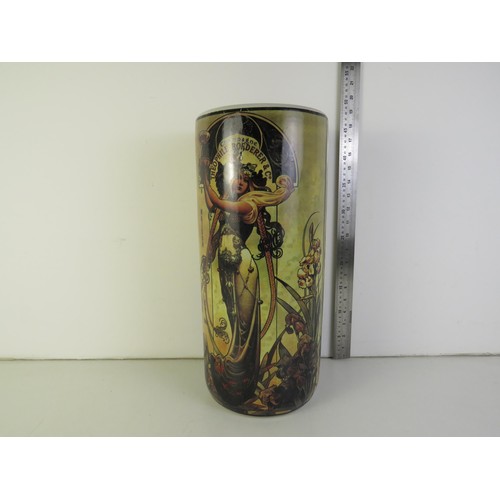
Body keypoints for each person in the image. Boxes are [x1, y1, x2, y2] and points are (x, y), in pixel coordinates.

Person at [201, 157, 294, 405]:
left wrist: (204, 174)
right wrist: (205, 173)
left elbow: (216, 201)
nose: (240, 182)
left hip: (242, 266)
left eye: (245, 178)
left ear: (251, 183)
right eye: (236, 177)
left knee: (244, 323)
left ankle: (244, 375)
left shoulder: (247, 204)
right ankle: (234, 369)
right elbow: (211, 203)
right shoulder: (229, 201)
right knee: (233, 316)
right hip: (226, 265)